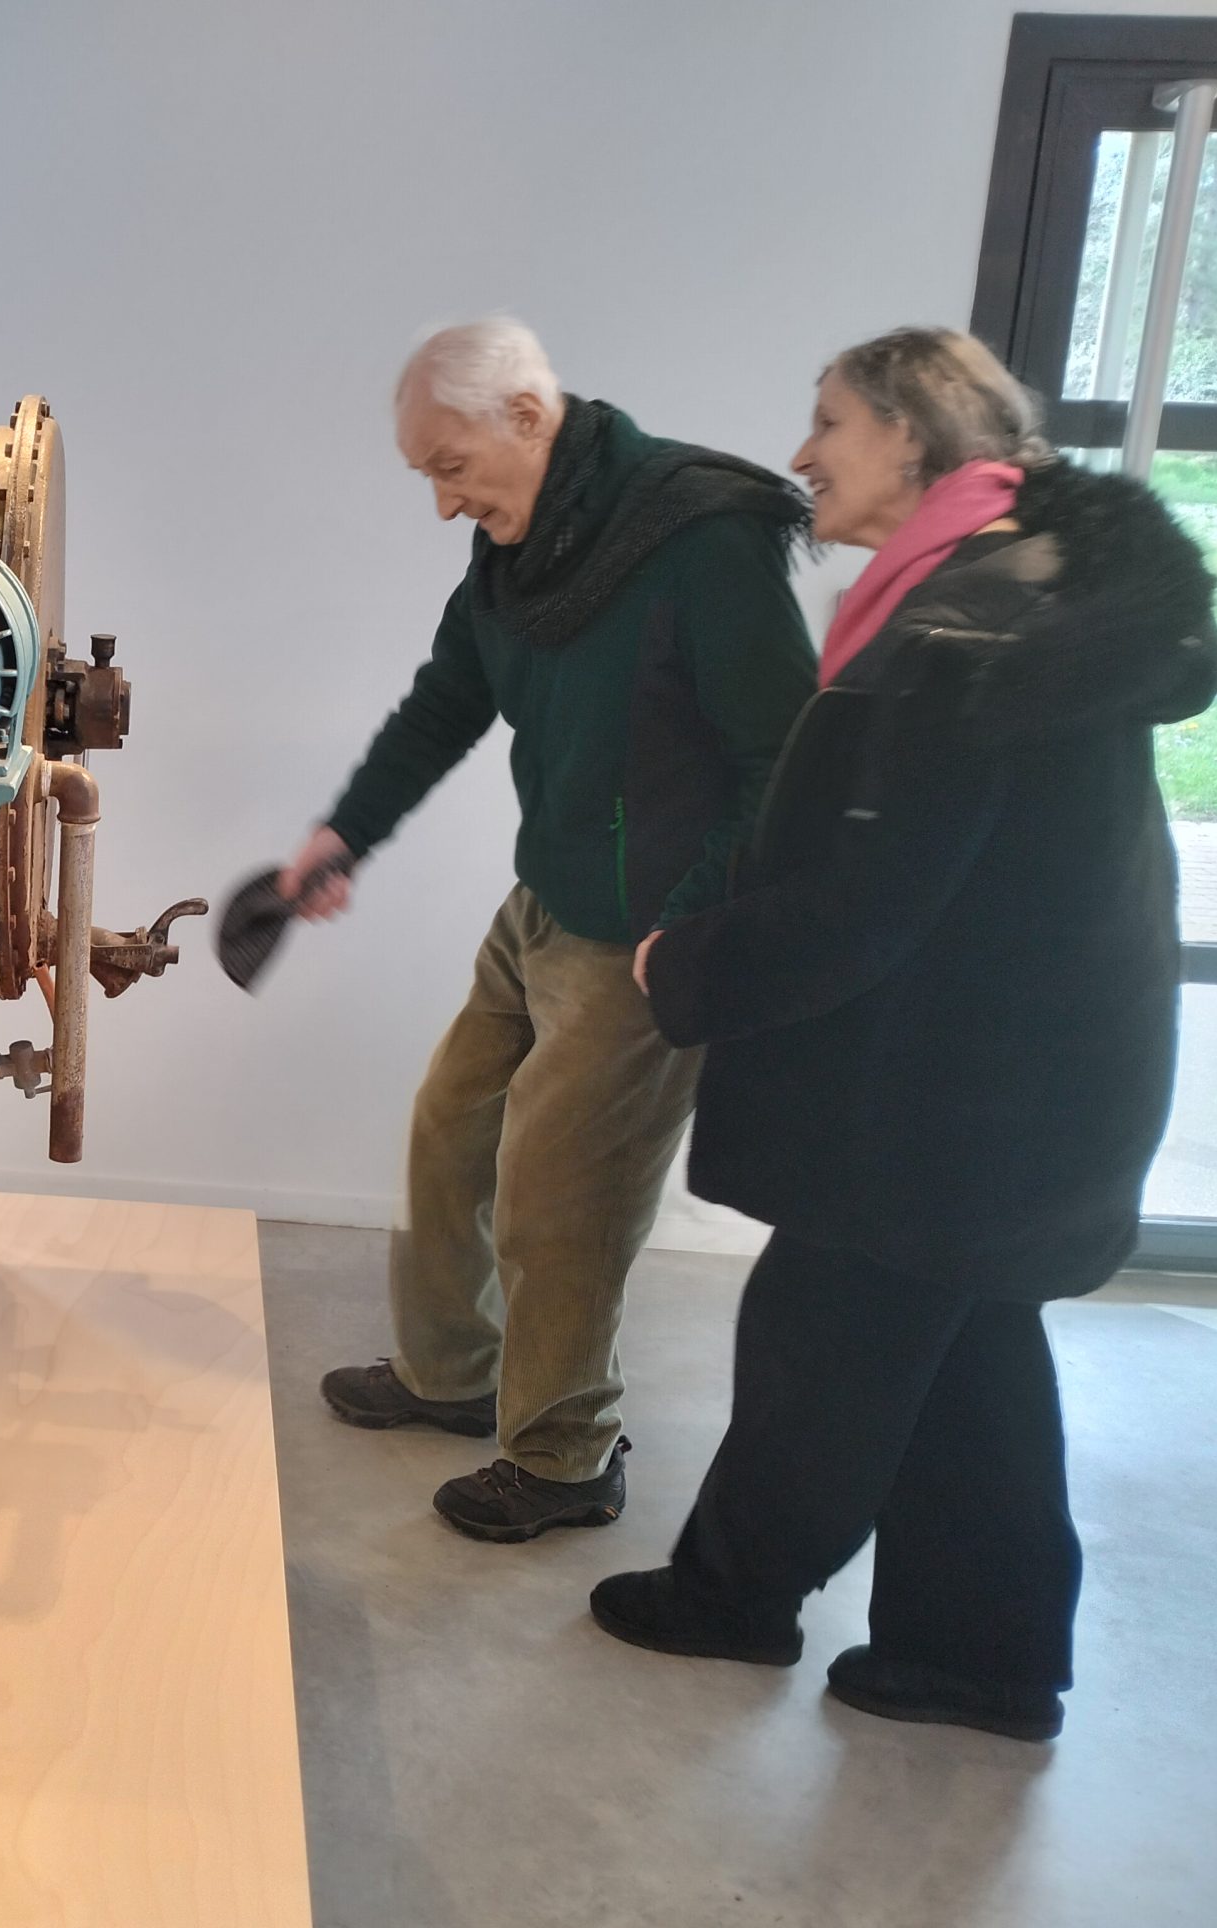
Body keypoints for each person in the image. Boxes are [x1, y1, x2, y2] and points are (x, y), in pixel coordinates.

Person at [589, 328, 1217, 1741]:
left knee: (825, 1335)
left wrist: (680, 961)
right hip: (1017, 1086)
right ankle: (982, 1658)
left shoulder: (960, 624)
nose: (805, 454)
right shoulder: (1009, 591)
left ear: (915, 435)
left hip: (954, 1103)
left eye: (830, 422)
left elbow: (870, 901)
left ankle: (731, 1600)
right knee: (972, 1359)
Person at [295, 318, 817, 1541]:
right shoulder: (519, 550)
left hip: (645, 933)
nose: (441, 501)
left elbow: (783, 758)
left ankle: (568, 1453)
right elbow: (445, 704)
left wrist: (688, 924)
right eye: (428, 471)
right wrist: (344, 834)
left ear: (528, 416)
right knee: (450, 1129)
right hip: (544, 901)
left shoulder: (700, 538)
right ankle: (450, 1376)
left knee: (558, 1192)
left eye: (449, 464)